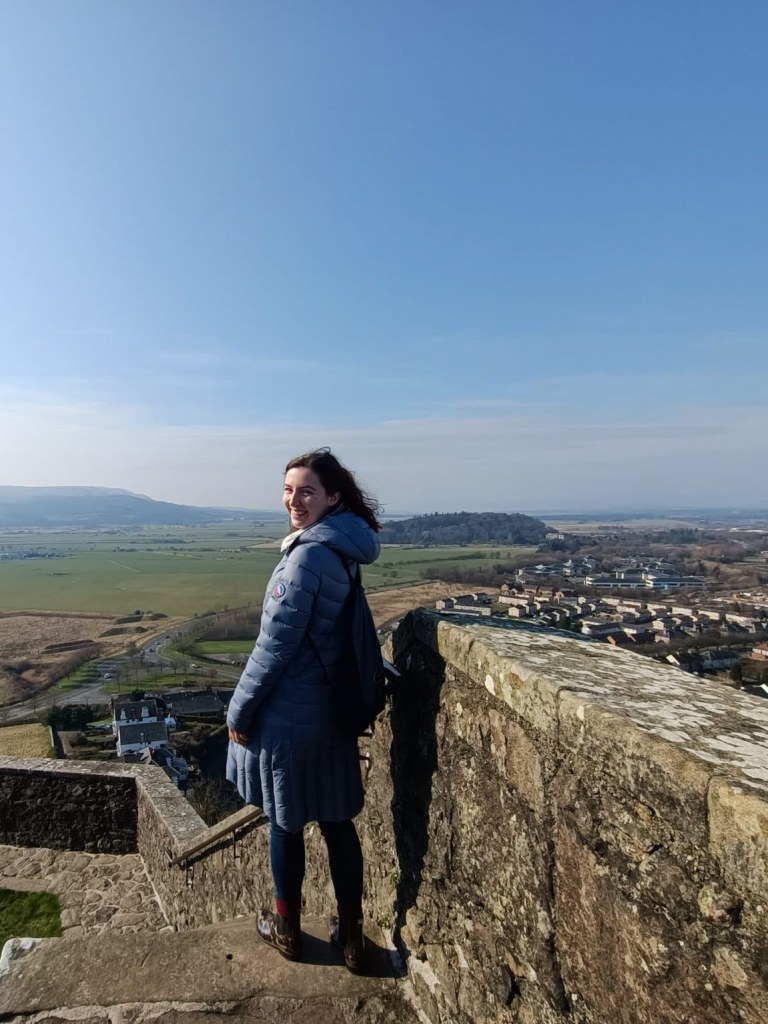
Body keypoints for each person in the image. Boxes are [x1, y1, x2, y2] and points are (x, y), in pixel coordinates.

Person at [226, 447, 381, 972]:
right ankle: (353, 936)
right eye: (289, 490)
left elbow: (274, 649)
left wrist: (239, 712)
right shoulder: (341, 550)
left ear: (332, 496)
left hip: (292, 717)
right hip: (332, 714)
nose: (295, 500)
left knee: (285, 823)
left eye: (307, 491)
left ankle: (288, 928)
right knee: (338, 823)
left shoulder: (306, 557)